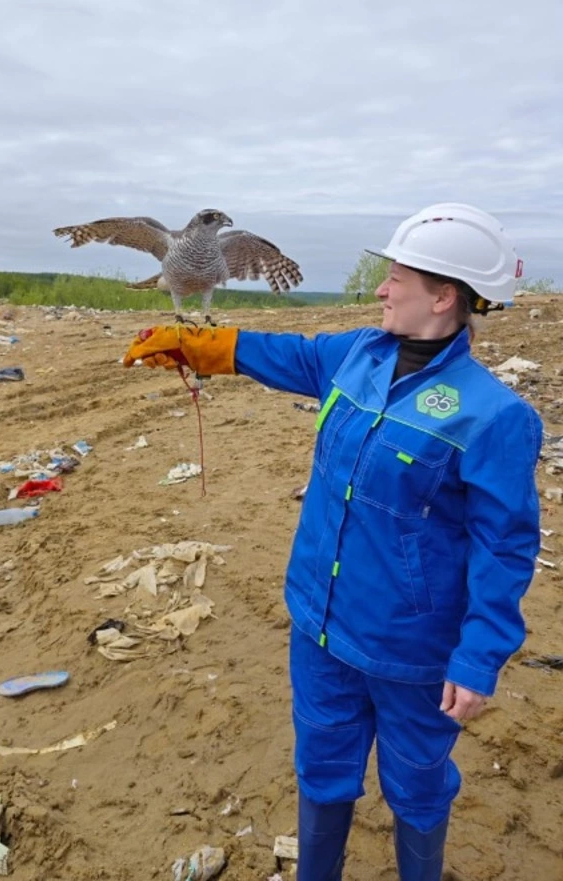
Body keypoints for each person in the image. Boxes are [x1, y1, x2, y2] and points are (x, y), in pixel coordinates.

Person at [122, 203, 542, 881]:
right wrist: (205, 346)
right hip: (318, 628)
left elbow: (507, 548)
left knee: (416, 785)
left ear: (444, 295)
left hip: (412, 653)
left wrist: (478, 656)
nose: (381, 287)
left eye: (396, 277)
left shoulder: (493, 415)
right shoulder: (357, 353)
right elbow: (284, 353)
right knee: (321, 769)